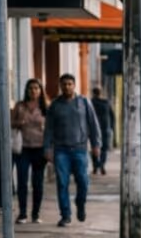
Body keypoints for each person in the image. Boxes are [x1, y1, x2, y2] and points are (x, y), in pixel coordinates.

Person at [44, 74, 102, 227]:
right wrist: (47, 148)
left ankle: (80, 203)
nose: (67, 87)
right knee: (62, 183)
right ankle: (65, 215)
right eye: (64, 84)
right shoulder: (55, 105)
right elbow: (48, 129)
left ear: (74, 85)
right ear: (60, 86)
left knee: (83, 182)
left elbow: (93, 124)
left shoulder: (83, 102)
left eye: (70, 84)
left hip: (80, 149)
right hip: (61, 150)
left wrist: (96, 145)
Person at [11, 78, 48, 224]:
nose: (33, 91)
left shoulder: (45, 107)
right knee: (22, 181)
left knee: (38, 182)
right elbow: (9, 122)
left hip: (40, 148)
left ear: (40, 90)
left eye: (36, 88)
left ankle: (36, 213)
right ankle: (22, 213)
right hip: (23, 149)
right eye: (31, 88)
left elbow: (51, 127)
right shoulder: (20, 106)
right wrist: (19, 123)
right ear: (26, 90)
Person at [90, 86, 115, 175]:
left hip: (95, 129)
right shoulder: (106, 103)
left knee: (95, 147)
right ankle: (101, 165)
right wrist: (111, 127)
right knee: (103, 149)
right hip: (104, 128)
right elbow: (112, 116)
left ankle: (96, 166)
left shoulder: (91, 103)